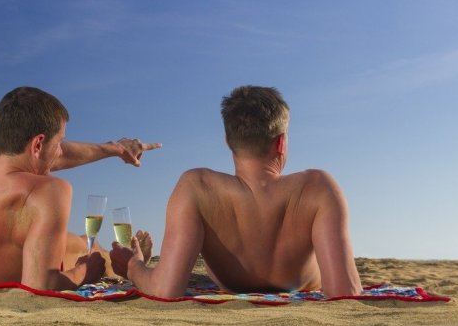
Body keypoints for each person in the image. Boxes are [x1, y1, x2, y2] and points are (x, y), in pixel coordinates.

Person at [110, 85, 362, 298]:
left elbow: (165, 290)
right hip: (305, 287)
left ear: (228, 141)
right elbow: (345, 294)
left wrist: (134, 266)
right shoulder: (318, 188)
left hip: (231, 286)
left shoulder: (197, 187)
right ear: (281, 141)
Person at [0, 86, 160, 291]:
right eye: (60, 142)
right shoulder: (48, 192)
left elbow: (30, 157)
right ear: (38, 144)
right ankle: (128, 263)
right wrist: (86, 271)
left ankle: (123, 259)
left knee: (75, 240)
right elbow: (40, 287)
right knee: (85, 249)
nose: (61, 151)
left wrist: (116, 148)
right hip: (17, 275)